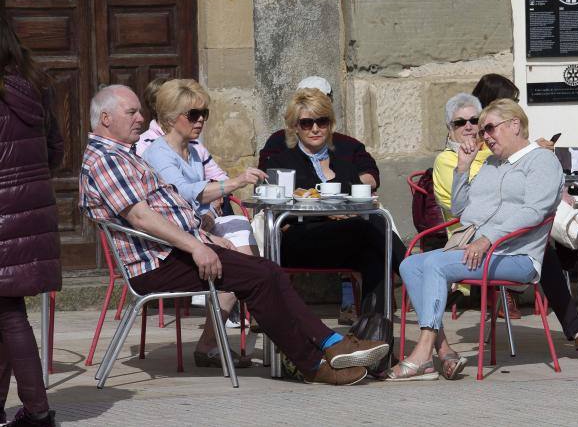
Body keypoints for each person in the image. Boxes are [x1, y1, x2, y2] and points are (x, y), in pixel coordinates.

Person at [79, 85, 389, 386]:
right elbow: (141, 217)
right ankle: (316, 358)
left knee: (266, 272)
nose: (140, 118)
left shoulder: (124, 154)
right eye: (131, 112)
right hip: (158, 264)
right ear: (106, 119)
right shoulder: (107, 159)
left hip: (175, 250)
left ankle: (324, 348)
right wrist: (197, 247)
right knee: (260, 277)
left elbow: (164, 209)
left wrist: (202, 237)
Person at [388, 99, 563, 381]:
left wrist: (487, 239)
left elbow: (534, 211)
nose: (484, 137)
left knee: (435, 264)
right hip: (480, 250)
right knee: (410, 265)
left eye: (489, 128)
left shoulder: (542, 160)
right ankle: (443, 351)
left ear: (515, 125)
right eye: (483, 132)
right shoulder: (492, 164)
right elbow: (460, 210)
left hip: (516, 255)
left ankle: (423, 353)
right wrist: (462, 169)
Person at [431, 94, 578, 363]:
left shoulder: (503, 154)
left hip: (519, 229)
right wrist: (464, 168)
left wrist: (532, 155)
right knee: (548, 252)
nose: (471, 129)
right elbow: (461, 208)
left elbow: (529, 195)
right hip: (484, 235)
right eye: (460, 123)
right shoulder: (452, 159)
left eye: (477, 123)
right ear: (449, 129)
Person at [260, 88, 406, 314]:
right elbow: (276, 213)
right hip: (299, 241)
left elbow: (359, 203)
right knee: (374, 227)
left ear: (331, 124)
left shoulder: (344, 164)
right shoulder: (281, 163)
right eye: (307, 123)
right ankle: (411, 271)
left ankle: (375, 338)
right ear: (295, 127)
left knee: (375, 257)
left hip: (345, 240)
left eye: (322, 121)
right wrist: (328, 213)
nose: (316, 129)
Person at [142, 79, 264, 346]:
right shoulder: (158, 153)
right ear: (172, 118)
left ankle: (222, 334)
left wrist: (208, 215)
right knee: (245, 265)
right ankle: (248, 317)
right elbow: (183, 192)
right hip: (173, 238)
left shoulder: (192, 151)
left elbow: (200, 202)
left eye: (204, 114)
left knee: (242, 233)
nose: (200, 121)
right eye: (193, 115)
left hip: (196, 227)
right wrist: (234, 182)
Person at [0, 17, 62, 427]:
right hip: (32, 210)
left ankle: (38, 411)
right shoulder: (35, 84)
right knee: (6, 308)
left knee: (8, 314)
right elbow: (55, 150)